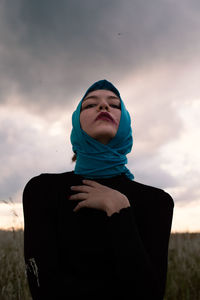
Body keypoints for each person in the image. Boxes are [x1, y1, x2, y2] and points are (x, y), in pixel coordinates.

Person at [23, 79, 174, 299]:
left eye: (114, 104)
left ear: (125, 123)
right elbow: (43, 289)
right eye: (90, 104)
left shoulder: (157, 202)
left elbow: (150, 293)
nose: (104, 107)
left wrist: (119, 209)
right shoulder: (42, 191)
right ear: (77, 122)